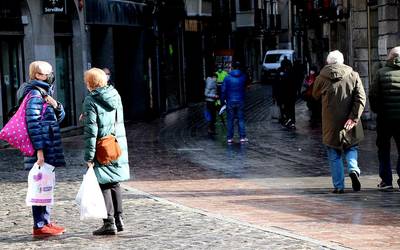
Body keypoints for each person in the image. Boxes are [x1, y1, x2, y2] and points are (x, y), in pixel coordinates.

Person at [17, 61, 66, 237]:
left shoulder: (45, 93)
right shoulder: (34, 95)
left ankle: (45, 221)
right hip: (41, 149)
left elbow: (56, 119)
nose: (51, 74)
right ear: (37, 75)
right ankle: (39, 225)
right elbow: (33, 125)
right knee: (40, 185)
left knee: (45, 184)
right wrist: (39, 150)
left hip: (47, 145)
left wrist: (56, 105)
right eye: (48, 73)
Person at [82, 68, 130, 235]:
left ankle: (109, 223)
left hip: (101, 147)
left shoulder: (91, 100)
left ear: (90, 83)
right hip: (115, 144)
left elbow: (91, 132)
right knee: (114, 182)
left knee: (103, 184)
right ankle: (119, 219)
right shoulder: (114, 95)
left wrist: (88, 157)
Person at [312, 50, 366, 193]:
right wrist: (354, 117)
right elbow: (361, 98)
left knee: (334, 153)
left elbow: (314, 95)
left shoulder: (321, 77)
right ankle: (353, 169)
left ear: (328, 62)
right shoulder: (353, 75)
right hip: (350, 120)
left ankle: (339, 186)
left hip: (330, 122)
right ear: (342, 61)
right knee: (351, 147)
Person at [369, 46, 400, 191]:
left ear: (390, 57)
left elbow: (373, 95)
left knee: (383, 149)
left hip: (385, 119)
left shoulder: (380, 73)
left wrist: (378, 110)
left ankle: (386, 180)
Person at [220, 61, 248, 144]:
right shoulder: (243, 77)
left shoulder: (227, 77)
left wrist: (222, 101)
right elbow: (245, 87)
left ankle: (229, 138)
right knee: (241, 119)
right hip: (240, 100)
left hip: (230, 101)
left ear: (232, 67)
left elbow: (223, 90)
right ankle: (242, 137)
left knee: (230, 120)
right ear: (240, 67)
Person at [278, 56, 296, 129]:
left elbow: (278, 84)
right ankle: (291, 121)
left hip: (286, 94)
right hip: (289, 94)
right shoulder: (291, 71)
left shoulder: (284, 72)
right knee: (290, 108)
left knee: (287, 108)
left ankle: (289, 120)